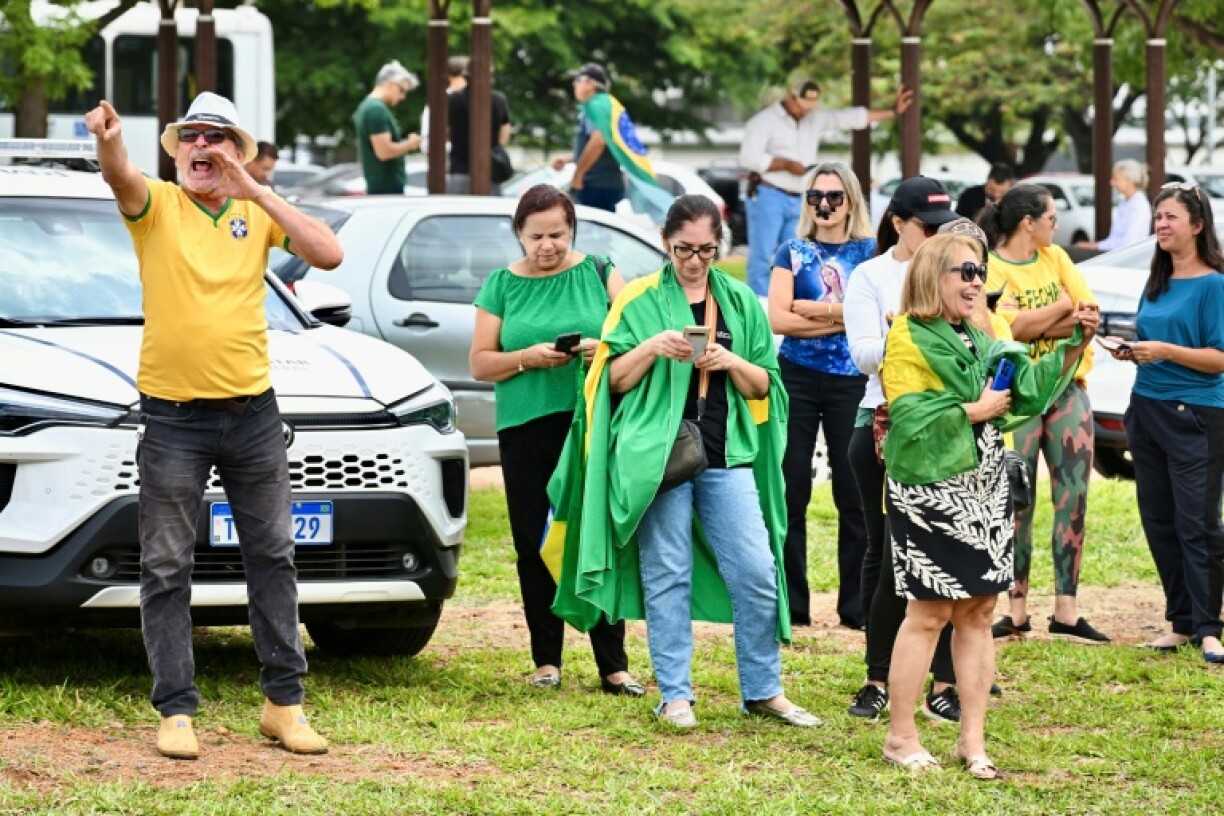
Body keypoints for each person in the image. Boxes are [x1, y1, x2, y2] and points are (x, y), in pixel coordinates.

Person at [84, 92, 344, 759]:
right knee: (167, 564)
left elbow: (328, 253)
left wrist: (256, 191)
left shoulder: (254, 213)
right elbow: (120, 176)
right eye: (191, 137)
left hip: (253, 414)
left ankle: (283, 704)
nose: (202, 146)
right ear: (178, 153)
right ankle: (175, 710)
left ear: (236, 151)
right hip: (173, 419)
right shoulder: (158, 206)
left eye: (217, 137)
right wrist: (110, 139)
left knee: (274, 558)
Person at [548, 194, 816, 729]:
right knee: (667, 572)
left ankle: (763, 690)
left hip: (725, 454)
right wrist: (651, 348)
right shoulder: (640, 298)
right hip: (659, 459)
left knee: (758, 569)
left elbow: (766, 383)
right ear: (666, 241)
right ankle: (675, 695)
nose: (694, 261)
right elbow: (609, 383)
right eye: (683, 249)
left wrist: (731, 360)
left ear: (721, 246)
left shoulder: (738, 300)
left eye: (706, 250)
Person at [879, 234, 1093, 777]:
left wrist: (1072, 344)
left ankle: (971, 741)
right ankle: (901, 737)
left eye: (981, 273)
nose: (977, 282)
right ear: (933, 276)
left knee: (978, 612)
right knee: (928, 614)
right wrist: (973, 411)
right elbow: (909, 416)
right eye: (966, 272)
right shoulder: (909, 335)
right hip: (930, 489)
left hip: (985, 485)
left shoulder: (986, 332)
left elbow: (1023, 396)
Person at [469, 184, 644, 695]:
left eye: (558, 234)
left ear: (574, 230)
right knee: (535, 542)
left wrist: (603, 348)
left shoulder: (601, 271)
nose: (547, 245)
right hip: (524, 427)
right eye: (536, 236)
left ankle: (614, 664)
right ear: (519, 234)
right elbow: (480, 362)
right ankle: (547, 661)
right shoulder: (501, 284)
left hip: (589, 421)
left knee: (599, 534)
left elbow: (638, 334)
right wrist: (529, 358)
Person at [842, 177, 961, 722]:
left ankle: (947, 681)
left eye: (945, 227)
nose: (938, 237)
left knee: (949, 557)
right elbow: (865, 354)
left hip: (952, 427)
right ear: (897, 223)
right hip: (885, 424)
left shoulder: (959, 268)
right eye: (927, 228)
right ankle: (878, 677)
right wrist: (915, 332)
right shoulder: (871, 275)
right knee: (888, 552)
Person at [979, 184, 1111, 645]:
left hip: (1067, 386)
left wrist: (1058, 318)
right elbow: (1005, 329)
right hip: (1017, 396)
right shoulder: (991, 266)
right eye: (1051, 217)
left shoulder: (1057, 259)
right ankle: (1014, 611)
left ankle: (1066, 612)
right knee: (1017, 500)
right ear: (1027, 222)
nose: (1057, 224)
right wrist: (1061, 310)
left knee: (1072, 496)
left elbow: (1090, 311)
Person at [1107, 183, 1224, 663]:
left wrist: (1165, 352)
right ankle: (1180, 622)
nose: (1161, 224)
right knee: (1158, 519)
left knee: (1195, 522)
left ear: (1197, 226)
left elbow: (1218, 358)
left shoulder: (1214, 284)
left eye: (1171, 217)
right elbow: (1152, 344)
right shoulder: (1156, 282)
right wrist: (1131, 351)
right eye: (1157, 217)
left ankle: (1209, 627)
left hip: (1195, 415)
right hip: (1147, 410)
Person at [768, 161, 875, 630]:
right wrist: (841, 313)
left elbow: (874, 318)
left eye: (834, 196)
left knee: (854, 493)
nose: (825, 205)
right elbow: (778, 319)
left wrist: (813, 308)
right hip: (798, 376)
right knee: (792, 488)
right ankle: (794, 607)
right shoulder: (791, 251)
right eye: (816, 196)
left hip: (853, 378)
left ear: (851, 199)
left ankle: (856, 607)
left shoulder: (871, 253)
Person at [738, 77, 912, 296]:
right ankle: (760, 308)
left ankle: (791, 301)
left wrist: (892, 112)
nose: (805, 113)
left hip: (801, 196)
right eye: (802, 107)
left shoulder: (815, 117)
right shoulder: (764, 121)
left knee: (796, 256)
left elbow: (849, 118)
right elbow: (747, 158)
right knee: (762, 256)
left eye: (810, 108)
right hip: (769, 192)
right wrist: (784, 164)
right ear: (791, 98)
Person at [549, 63, 625, 212]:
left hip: (596, 184)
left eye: (578, 80)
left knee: (592, 232)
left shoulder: (595, 105)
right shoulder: (604, 104)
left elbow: (599, 141)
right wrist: (568, 158)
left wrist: (578, 174)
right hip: (606, 183)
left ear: (591, 83)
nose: (574, 84)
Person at [354, 59, 422, 195]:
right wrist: (410, 144)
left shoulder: (369, 107)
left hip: (380, 186)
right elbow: (384, 152)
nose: (402, 97)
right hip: (385, 188)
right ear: (391, 84)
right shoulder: (375, 109)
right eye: (401, 90)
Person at [445, 62, 512, 194]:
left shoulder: (453, 99)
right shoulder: (499, 99)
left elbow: (446, 132)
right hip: (490, 172)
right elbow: (504, 134)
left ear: (465, 76)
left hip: (460, 170)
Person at [1073, 159, 1152, 253]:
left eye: (1116, 179)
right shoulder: (1125, 202)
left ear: (1129, 181)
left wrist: (1095, 246)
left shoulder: (1139, 206)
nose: (1112, 183)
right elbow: (1114, 239)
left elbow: (1128, 243)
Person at [420, 55, 470, 154]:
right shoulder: (439, 102)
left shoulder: (474, 101)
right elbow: (427, 143)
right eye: (465, 76)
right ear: (452, 77)